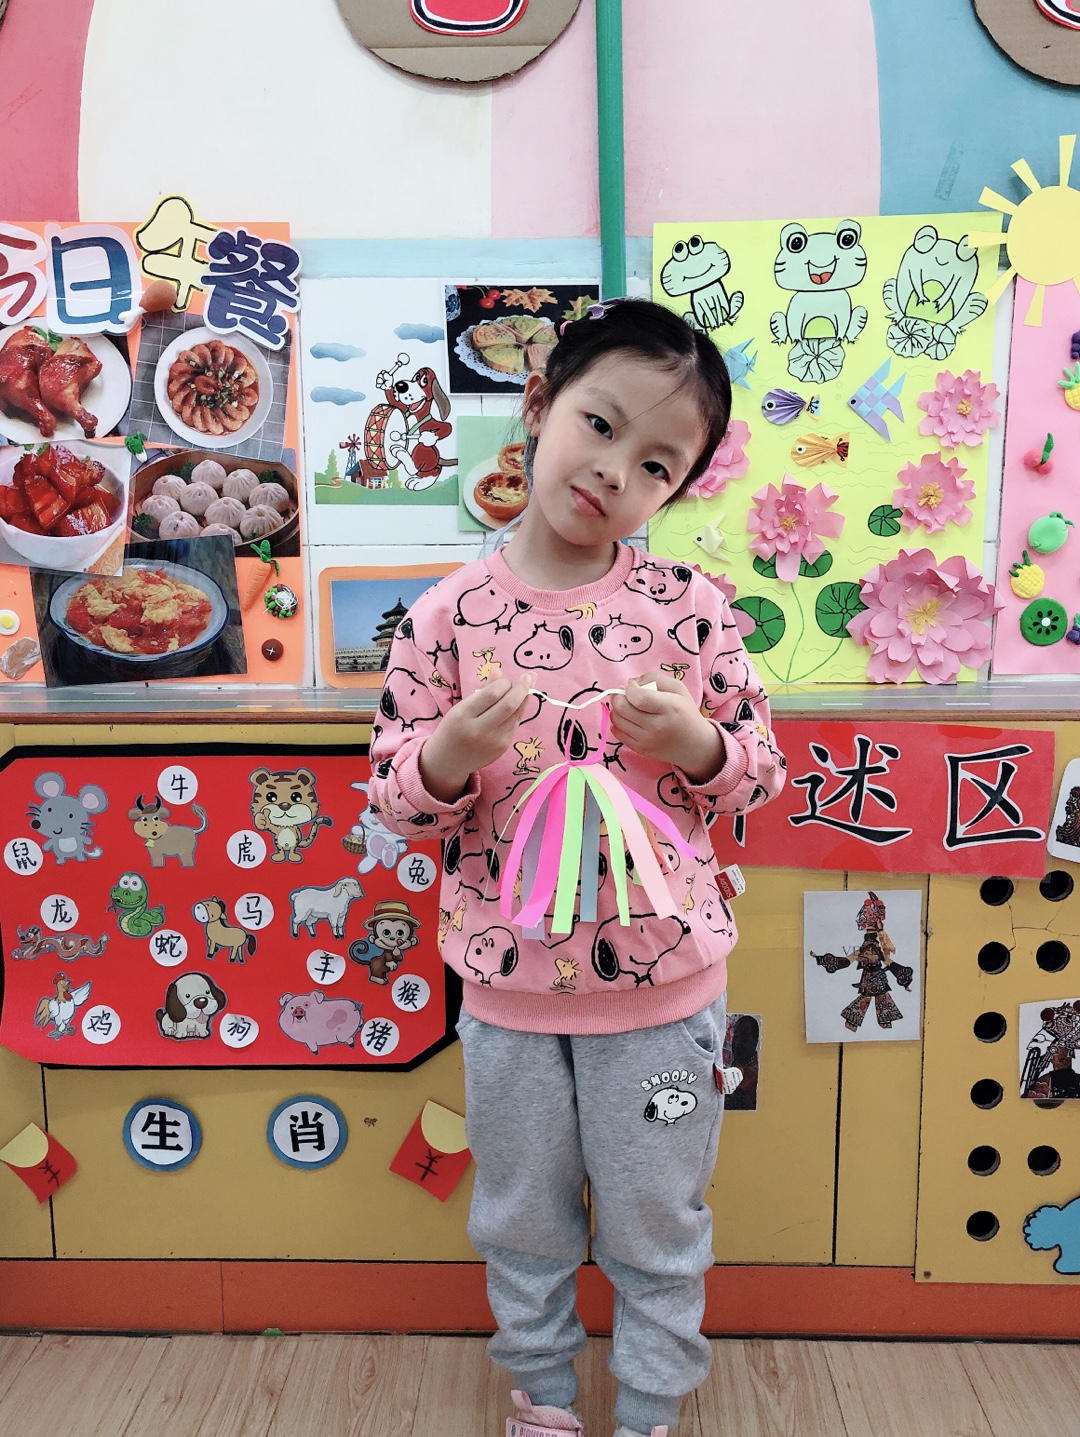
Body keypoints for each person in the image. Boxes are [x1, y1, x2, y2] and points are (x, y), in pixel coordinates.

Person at [366, 298, 785, 1437]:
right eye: (599, 425)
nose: (613, 471)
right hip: (507, 994)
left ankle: (651, 1409)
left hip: (664, 994)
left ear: (676, 491)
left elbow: (760, 774)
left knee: (658, 1220)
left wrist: (696, 744)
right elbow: (393, 801)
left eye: (655, 465)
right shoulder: (446, 619)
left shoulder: (690, 611)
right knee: (520, 1220)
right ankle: (542, 1400)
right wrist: (446, 758)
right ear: (540, 404)